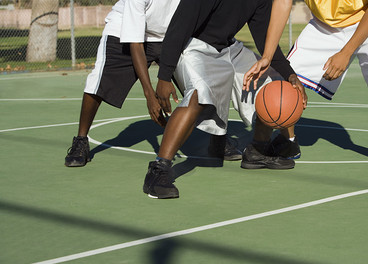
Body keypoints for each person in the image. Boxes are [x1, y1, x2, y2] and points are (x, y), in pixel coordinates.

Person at [243, 0, 368, 183]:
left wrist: (346, 51)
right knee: (286, 75)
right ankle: (284, 141)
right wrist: (268, 56)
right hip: (329, 23)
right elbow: (283, 3)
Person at [143, 0, 308, 199]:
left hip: (229, 48)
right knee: (198, 94)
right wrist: (164, 76)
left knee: (274, 81)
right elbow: (179, 26)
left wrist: (291, 76)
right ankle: (160, 168)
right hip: (194, 47)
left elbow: (266, 40)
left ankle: (258, 150)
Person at [64, 0, 241, 167]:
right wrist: (149, 94)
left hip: (173, 34)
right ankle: (81, 140)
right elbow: (136, 44)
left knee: (208, 75)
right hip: (125, 32)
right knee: (100, 82)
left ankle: (218, 138)